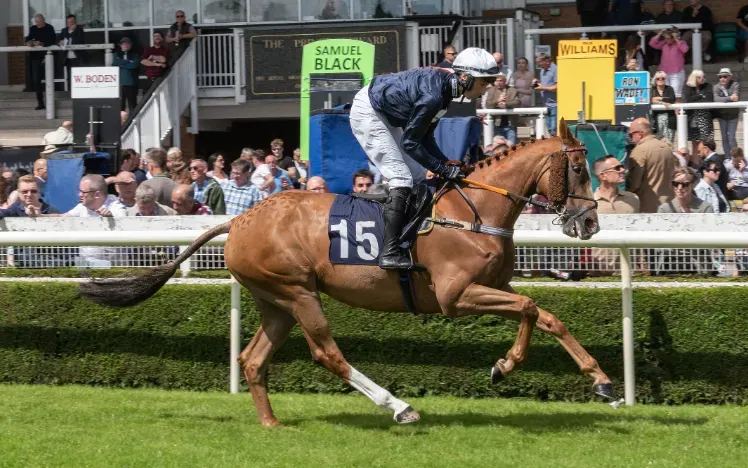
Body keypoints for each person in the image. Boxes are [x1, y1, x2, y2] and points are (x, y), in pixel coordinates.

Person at [350, 47, 496, 269]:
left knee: (417, 176)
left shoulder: (447, 91)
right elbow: (410, 143)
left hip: (388, 113)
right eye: (484, 83)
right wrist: (443, 169)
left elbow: (425, 136)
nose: (486, 88)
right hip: (370, 111)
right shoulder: (435, 96)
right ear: (465, 77)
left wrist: (446, 162)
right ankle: (389, 252)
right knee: (401, 178)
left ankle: (409, 241)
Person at [627, 118, 676, 213]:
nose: (631, 139)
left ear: (640, 133)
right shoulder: (667, 148)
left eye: (631, 134)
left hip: (648, 207)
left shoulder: (639, 151)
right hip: (670, 204)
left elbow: (634, 184)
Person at [25, 14, 56, 110]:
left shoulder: (49, 28)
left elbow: (52, 40)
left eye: (39, 22)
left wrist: (41, 43)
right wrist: (30, 43)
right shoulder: (33, 28)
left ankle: (50, 102)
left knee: (49, 79)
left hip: (47, 57)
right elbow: (28, 39)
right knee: (36, 80)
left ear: (43, 21)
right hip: (35, 58)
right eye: (36, 22)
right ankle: (40, 103)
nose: (37, 24)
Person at [649, 28, 688, 99]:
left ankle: (677, 110)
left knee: (676, 94)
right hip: (664, 72)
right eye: (665, 38)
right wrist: (660, 33)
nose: (667, 40)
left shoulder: (681, 43)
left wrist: (677, 40)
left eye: (669, 38)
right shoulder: (664, 43)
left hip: (676, 73)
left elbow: (685, 50)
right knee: (665, 94)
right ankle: (668, 110)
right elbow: (652, 43)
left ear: (673, 37)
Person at [683, 70, 714, 155]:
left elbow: (709, 100)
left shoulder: (708, 86)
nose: (702, 79)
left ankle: (705, 161)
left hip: (705, 118)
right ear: (694, 78)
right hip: (692, 117)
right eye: (699, 77)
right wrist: (701, 95)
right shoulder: (687, 86)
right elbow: (687, 100)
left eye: (703, 77)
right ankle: (696, 165)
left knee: (705, 143)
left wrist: (694, 98)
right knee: (695, 144)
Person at [484, 73, 520, 145]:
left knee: (511, 146)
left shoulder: (513, 90)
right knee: (498, 147)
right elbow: (487, 104)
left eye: (500, 81)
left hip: (510, 124)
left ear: (505, 81)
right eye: (496, 81)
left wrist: (506, 104)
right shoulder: (491, 90)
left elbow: (517, 102)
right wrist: (498, 101)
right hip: (496, 124)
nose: (498, 83)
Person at [712, 68, 740, 158]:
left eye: (725, 76)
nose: (722, 79)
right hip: (722, 115)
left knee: (731, 137)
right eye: (720, 77)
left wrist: (726, 99)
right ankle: (728, 157)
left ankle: (735, 157)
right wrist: (729, 98)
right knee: (724, 137)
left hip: (733, 115)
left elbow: (736, 97)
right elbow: (716, 99)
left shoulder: (735, 84)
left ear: (730, 77)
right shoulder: (716, 87)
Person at [532, 53, 557, 136]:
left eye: (540, 63)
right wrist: (537, 83)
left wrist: (542, 88)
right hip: (546, 105)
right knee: (550, 131)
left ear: (547, 61)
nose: (539, 65)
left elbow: (557, 88)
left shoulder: (555, 69)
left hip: (555, 105)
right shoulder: (542, 70)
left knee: (554, 130)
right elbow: (545, 85)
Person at [58, 14, 85, 90]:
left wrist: (72, 32)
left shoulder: (79, 30)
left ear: (75, 22)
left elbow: (78, 41)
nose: (71, 24)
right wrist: (60, 42)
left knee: (78, 77)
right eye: (69, 22)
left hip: (77, 57)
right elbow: (58, 40)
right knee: (69, 77)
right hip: (68, 58)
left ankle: (79, 93)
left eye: (72, 22)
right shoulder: (64, 31)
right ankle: (70, 93)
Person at [113, 37, 139, 113]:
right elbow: (116, 63)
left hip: (131, 83)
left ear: (130, 45)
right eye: (123, 44)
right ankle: (122, 123)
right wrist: (128, 62)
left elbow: (134, 65)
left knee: (132, 105)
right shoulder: (117, 54)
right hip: (120, 84)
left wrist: (122, 64)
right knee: (121, 106)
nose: (125, 45)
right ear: (120, 45)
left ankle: (133, 122)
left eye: (127, 43)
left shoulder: (134, 55)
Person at [650, 71, 676, 143]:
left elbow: (672, 99)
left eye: (663, 78)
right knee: (658, 143)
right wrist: (662, 102)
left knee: (669, 143)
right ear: (655, 80)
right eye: (658, 78)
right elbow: (650, 100)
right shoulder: (652, 90)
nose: (660, 80)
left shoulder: (670, 89)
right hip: (656, 120)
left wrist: (659, 98)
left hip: (670, 119)